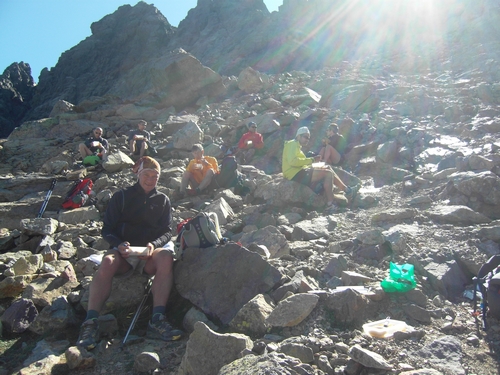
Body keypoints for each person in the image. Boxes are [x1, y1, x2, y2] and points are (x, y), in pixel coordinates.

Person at [76, 156, 182, 350]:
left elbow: (167, 231)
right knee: (108, 261)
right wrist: (118, 244)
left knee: (166, 257)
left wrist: (153, 244)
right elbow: (107, 229)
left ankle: (157, 319)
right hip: (123, 253)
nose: (150, 179)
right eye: (146, 174)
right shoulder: (122, 197)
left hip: (149, 254)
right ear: (138, 174)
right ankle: (90, 322)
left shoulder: (162, 200)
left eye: (155, 176)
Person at [282, 126, 355, 213]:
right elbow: (293, 162)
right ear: (298, 136)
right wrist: (312, 160)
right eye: (305, 137)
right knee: (328, 173)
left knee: (327, 167)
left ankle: (347, 190)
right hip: (295, 174)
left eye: (308, 138)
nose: (307, 140)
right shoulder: (292, 144)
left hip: (299, 171)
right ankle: (330, 204)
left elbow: (298, 162)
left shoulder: (297, 147)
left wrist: (312, 163)